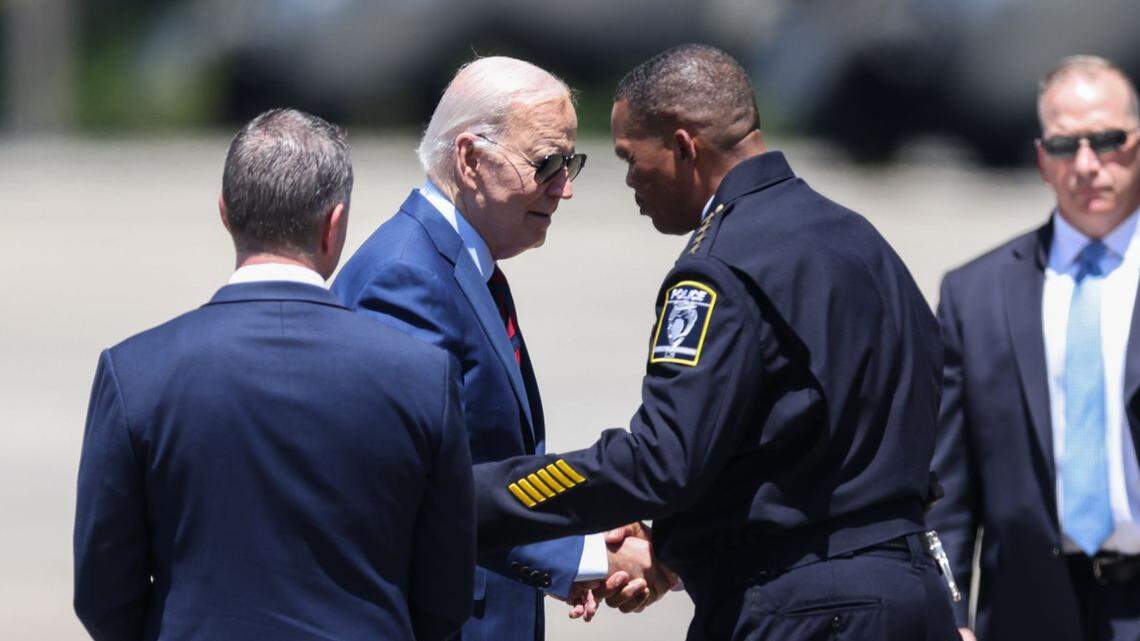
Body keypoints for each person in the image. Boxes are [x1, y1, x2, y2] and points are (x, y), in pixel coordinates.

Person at [472, 43, 961, 640]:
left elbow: (661, 461)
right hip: (910, 596)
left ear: (683, 147)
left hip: (805, 609)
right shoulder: (859, 241)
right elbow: (797, 439)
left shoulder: (718, 267)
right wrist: (677, 540)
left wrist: (482, 497)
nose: (629, 182)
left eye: (631, 158)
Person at [72, 109, 473, 641]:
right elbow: (445, 595)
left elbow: (103, 594)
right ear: (335, 224)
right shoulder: (421, 375)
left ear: (225, 213)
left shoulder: (137, 372)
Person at [332, 56, 665, 637]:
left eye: (571, 163)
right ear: (470, 158)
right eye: (547, 164)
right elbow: (421, 489)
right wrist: (588, 558)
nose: (564, 189)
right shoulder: (406, 278)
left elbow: (493, 468)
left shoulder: (457, 266)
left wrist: (580, 541)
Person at [927, 55, 1140, 641]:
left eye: (1109, 140)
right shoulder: (976, 294)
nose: (1090, 165)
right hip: (1027, 610)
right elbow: (947, 486)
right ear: (1043, 159)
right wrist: (950, 618)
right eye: (1067, 146)